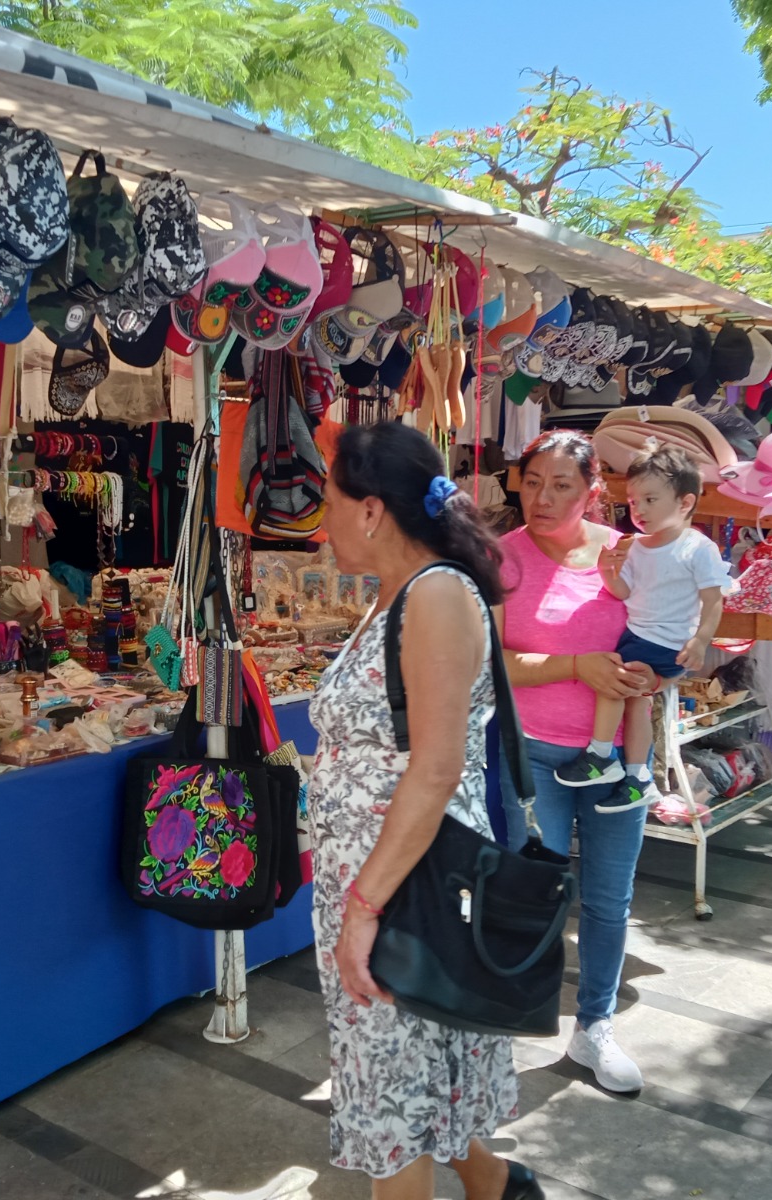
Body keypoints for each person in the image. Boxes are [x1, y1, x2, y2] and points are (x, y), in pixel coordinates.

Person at [310, 421, 543, 1200]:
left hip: (404, 884)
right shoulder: (402, 593)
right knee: (416, 1070)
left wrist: (364, 906)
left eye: (329, 502)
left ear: (372, 510)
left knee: (392, 1103)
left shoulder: (435, 595)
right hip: (390, 877)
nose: (322, 521)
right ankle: (498, 1185)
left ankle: (494, 1184)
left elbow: (436, 768)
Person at [494, 429, 658, 1093]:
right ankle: (510, 1022)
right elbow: (491, 665)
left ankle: (595, 1028)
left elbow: (673, 638)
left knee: (609, 901)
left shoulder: (631, 557)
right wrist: (572, 666)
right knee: (531, 896)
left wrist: (661, 668)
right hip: (534, 756)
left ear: (595, 492)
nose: (543, 496)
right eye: (533, 482)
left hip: (618, 761)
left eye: (562, 485)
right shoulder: (501, 558)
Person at [553, 444, 730, 812]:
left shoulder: (698, 548)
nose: (640, 510)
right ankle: (639, 778)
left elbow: (714, 600)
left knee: (611, 680)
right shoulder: (634, 547)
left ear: (684, 502)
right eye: (633, 502)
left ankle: (601, 755)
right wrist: (606, 571)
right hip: (640, 635)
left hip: (665, 643)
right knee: (637, 704)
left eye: (650, 499)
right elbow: (624, 591)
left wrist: (700, 641)